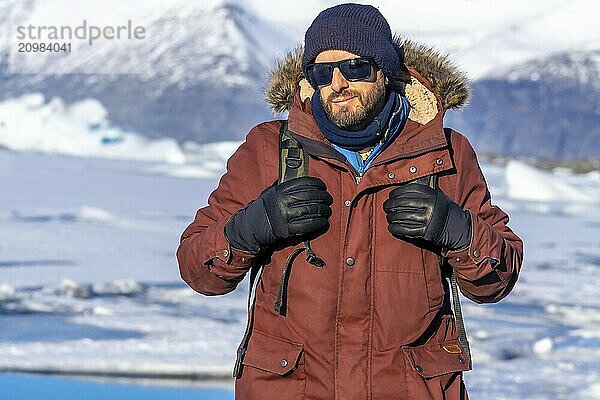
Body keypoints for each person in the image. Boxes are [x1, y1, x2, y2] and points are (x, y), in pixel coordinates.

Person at [177, 3, 523, 399]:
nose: (338, 83)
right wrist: (252, 226)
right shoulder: (268, 149)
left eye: (355, 67)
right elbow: (196, 268)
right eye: (323, 73)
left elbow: (497, 280)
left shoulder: (446, 153)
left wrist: (457, 230)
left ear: (385, 70)